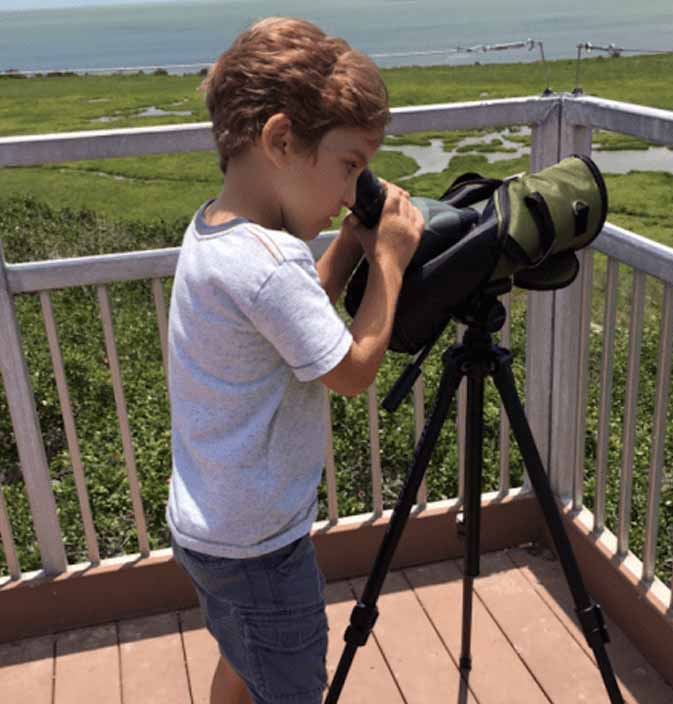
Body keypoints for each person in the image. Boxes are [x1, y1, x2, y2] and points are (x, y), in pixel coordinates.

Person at [166, 16, 424, 704]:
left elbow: (297, 310)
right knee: (287, 679)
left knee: (242, 650)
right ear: (282, 141)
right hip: (261, 550)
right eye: (349, 166)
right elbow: (354, 369)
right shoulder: (268, 265)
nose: (352, 190)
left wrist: (345, 244)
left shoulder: (218, 233)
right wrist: (390, 260)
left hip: (212, 529)